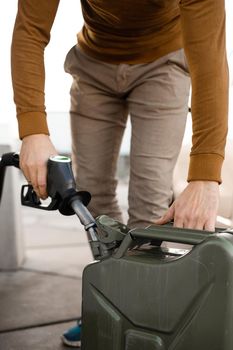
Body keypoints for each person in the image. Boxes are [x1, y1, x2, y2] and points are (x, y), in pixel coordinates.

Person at [11, 0, 228, 347]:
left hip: (165, 62)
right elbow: (29, 31)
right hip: (93, 63)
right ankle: (107, 300)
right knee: (91, 196)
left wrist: (205, 175)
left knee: (149, 202)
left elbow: (210, 61)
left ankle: (138, 310)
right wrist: (33, 130)